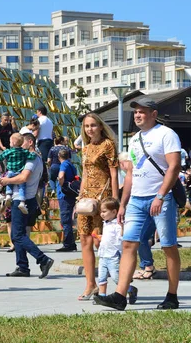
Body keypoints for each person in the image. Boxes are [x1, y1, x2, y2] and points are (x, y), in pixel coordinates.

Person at [94, 97, 181, 311]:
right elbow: (131, 173)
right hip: (136, 201)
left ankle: (172, 295)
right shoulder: (134, 139)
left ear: (153, 113)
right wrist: (122, 203)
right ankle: (120, 296)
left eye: (142, 112)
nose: (138, 115)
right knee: (128, 244)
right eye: (135, 113)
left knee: (168, 246)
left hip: (160, 198)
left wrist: (160, 195)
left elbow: (174, 166)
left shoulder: (166, 134)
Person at [76, 113, 119, 301]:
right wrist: (80, 195)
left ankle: (112, 284)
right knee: (84, 240)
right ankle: (90, 284)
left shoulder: (108, 145)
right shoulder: (85, 148)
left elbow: (114, 173)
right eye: (86, 126)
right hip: (86, 200)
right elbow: (85, 173)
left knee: (99, 241)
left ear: (100, 126)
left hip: (103, 198)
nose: (90, 129)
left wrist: (116, 201)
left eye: (93, 125)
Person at [0, 132, 54, 278]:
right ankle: (22, 267)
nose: (18, 145)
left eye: (21, 142)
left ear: (30, 142)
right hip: (27, 198)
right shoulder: (35, 158)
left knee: (17, 235)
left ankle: (43, 259)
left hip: (22, 199)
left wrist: (6, 181)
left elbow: (23, 177)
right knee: (19, 234)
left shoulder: (32, 158)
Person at [92, 198, 138, 303]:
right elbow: (108, 237)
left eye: (104, 211)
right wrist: (100, 238)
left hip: (113, 256)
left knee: (117, 278)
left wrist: (122, 228)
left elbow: (120, 238)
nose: (102, 214)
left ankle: (131, 289)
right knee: (101, 278)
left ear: (114, 212)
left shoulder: (118, 225)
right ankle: (102, 296)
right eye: (101, 212)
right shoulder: (106, 223)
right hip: (103, 255)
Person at [0, 133, 37, 214]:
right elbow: (32, 156)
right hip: (19, 172)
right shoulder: (24, 151)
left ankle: (8, 196)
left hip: (10, 171)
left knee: (9, 182)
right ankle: (22, 202)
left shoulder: (8, 151)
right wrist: (34, 153)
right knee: (22, 187)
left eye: (10, 141)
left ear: (13, 143)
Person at [55, 149, 78, 252]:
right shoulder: (71, 165)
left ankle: (68, 244)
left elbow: (61, 176)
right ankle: (71, 243)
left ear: (59, 156)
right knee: (68, 218)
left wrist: (61, 184)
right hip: (70, 194)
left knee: (65, 220)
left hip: (64, 195)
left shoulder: (64, 164)